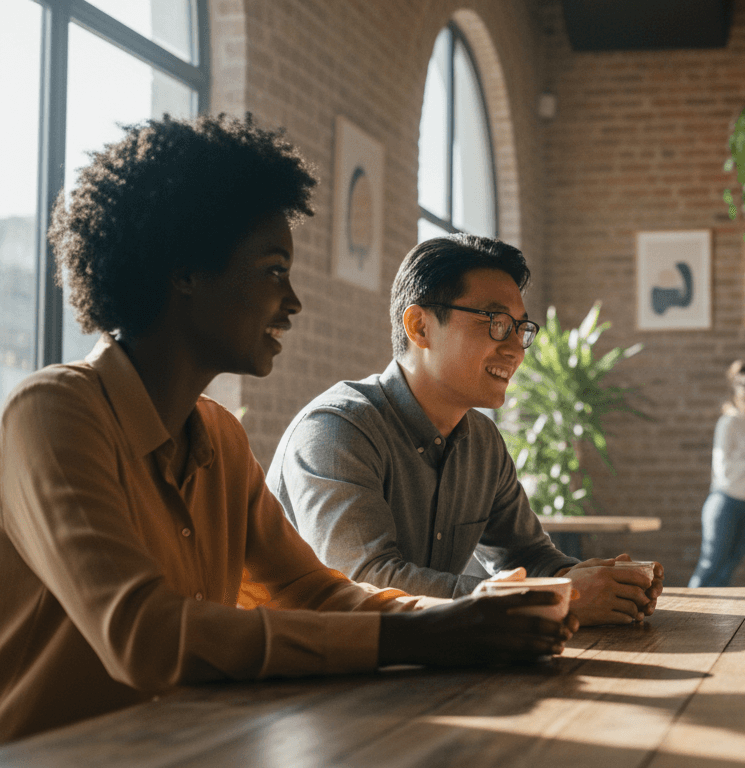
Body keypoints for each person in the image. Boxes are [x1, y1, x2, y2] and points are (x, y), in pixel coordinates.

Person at [0, 116, 571, 742]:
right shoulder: (52, 413)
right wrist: (429, 631)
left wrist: (471, 617)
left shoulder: (218, 436)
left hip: (189, 746)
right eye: (274, 270)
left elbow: (309, 590)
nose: (294, 301)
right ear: (186, 270)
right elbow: (146, 636)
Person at [268, 235, 663, 626]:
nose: (516, 349)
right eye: (496, 323)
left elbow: (526, 555)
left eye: (521, 328)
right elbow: (365, 583)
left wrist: (601, 583)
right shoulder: (337, 431)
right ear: (419, 327)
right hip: (302, 675)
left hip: (425, 663)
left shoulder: (482, 441)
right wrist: (556, 597)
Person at [688, 361, 745, 587]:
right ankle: (690, 611)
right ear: (735, 400)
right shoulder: (728, 423)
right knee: (711, 564)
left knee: (730, 566)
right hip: (726, 501)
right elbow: (723, 470)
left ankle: (714, 617)